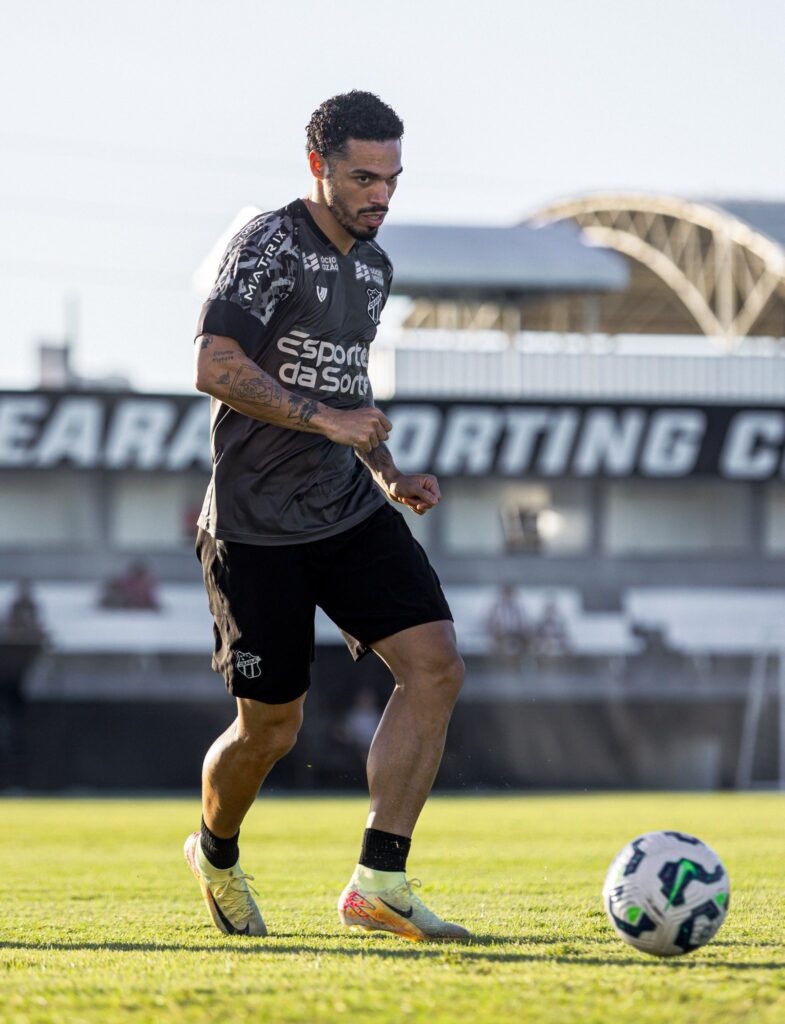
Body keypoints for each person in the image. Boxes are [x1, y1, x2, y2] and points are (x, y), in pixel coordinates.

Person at [184, 91, 468, 942]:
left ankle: (378, 881)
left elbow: (347, 388)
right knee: (270, 729)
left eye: (391, 179)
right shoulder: (268, 244)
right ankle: (215, 850)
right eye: (362, 177)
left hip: (344, 509)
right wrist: (328, 422)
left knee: (436, 665)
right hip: (253, 525)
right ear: (319, 167)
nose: (379, 195)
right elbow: (212, 361)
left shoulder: (374, 268)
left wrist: (382, 470)